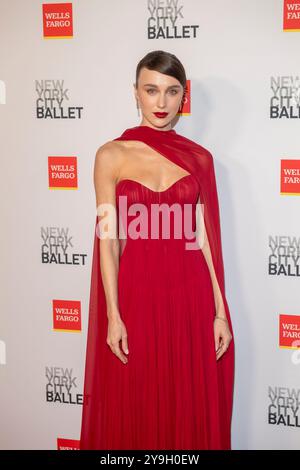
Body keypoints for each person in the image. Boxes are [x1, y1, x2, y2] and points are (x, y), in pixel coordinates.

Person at [80, 50, 235, 450]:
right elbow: (108, 241)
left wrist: (220, 311)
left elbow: (205, 240)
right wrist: (113, 315)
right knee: (139, 398)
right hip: (138, 295)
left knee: (186, 398)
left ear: (184, 97)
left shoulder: (200, 158)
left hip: (191, 296)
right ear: (136, 94)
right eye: (151, 90)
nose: (161, 103)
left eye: (171, 92)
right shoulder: (111, 155)